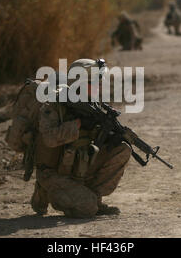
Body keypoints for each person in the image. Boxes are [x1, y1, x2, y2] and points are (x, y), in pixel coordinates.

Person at [31, 58, 132, 218]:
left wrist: (110, 137)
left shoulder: (92, 105)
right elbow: (48, 139)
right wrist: (78, 124)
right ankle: (47, 191)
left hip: (79, 167)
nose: (100, 86)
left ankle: (93, 197)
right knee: (88, 209)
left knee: (122, 149)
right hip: (53, 172)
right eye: (95, 82)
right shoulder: (55, 104)